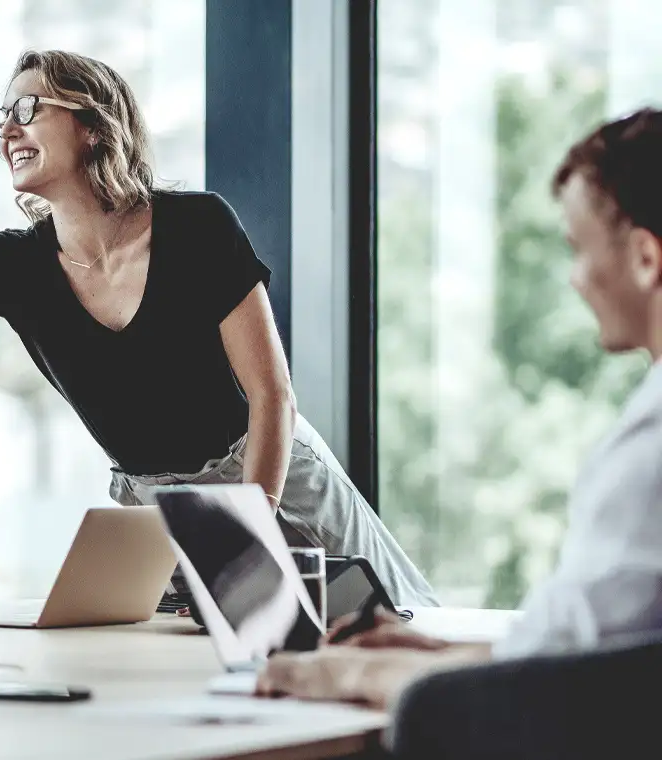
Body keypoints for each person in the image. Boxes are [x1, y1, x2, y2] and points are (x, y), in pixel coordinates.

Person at [0, 53, 437, 607]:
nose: (8, 131)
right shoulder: (12, 265)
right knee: (203, 677)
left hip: (272, 472)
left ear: (91, 124)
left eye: (29, 109)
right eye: (3, 118)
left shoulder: (197, 226)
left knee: (394, 630)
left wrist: (242, 536)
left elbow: (272, 398)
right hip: (156, 508)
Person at [257, 107, 662, 709]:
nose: (575, 279)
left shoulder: (648, 454)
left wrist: (343, 675)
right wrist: (433, 653)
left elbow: (566, 689)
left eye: (579, 249)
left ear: (645, 258)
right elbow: (590, 652)